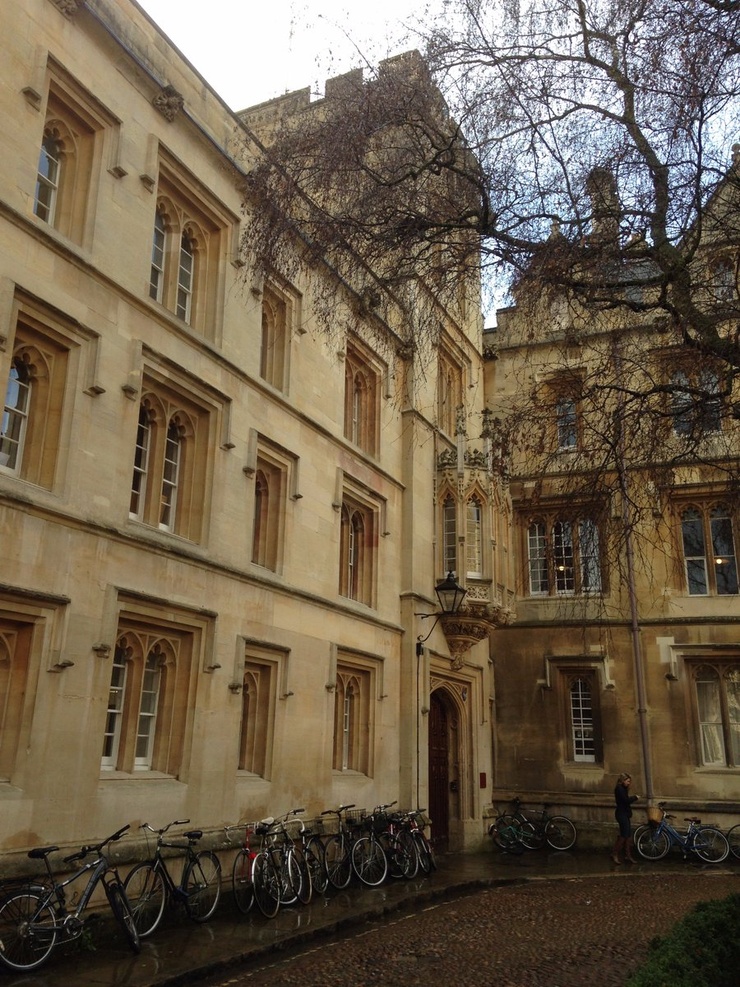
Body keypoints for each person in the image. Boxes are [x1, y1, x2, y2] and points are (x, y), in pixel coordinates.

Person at [612, 772, 638, 864]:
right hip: (621, 814)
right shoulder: (619, 789)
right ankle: (615, 854)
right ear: (623, 780)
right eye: (627, 781)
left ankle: (627, 855)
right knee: (623, 835)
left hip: (625, 814)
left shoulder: (623, 789)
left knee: (628, 836)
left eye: (629, 781)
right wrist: (635, 797)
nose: (628, 783)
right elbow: (625, 801)